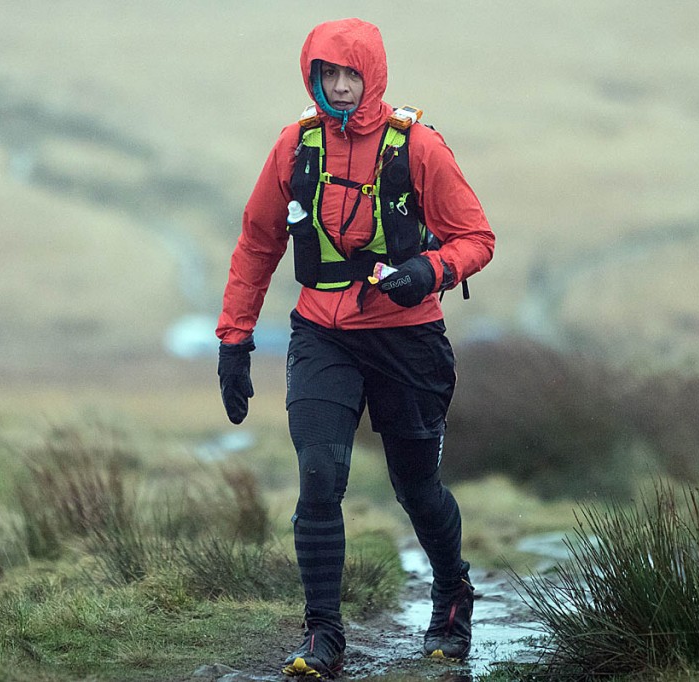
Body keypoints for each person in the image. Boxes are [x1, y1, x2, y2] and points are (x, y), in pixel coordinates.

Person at [215, 17, 495, 679]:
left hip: (408, 341)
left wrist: (430, 271)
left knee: (417, 488)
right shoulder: (295, 147)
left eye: (350, 74)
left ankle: (452, 594)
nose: (339, 87)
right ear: (312, 76)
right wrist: (235, 341)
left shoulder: (417, 147)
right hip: (322, 334)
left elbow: (476, 238)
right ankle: (323, 638)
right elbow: (257, 244)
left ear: (372, 76)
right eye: (327, 74)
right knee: (318, 479)